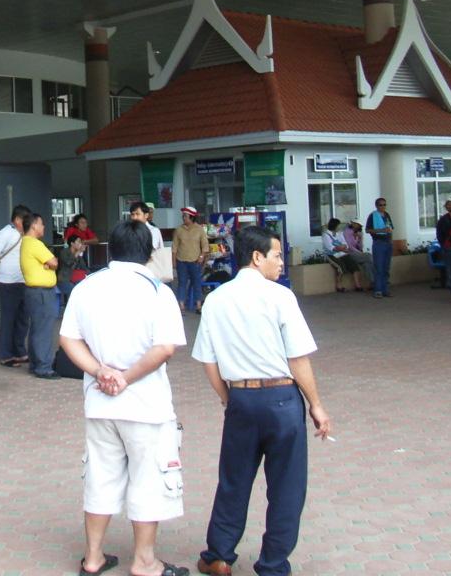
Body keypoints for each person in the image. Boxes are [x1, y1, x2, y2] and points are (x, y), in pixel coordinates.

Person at [191, 226, 331, 576]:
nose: (281, 262)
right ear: (257, 257)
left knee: (233, 480)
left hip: (241, 398)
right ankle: (273, 564)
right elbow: (298, 358)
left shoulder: (216, 299)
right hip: (282, 399)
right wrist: (315, 404)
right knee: (286, 486)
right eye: (277, 255)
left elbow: (208, 361)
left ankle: (219, 555)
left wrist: (229, 398)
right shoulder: (281, 297)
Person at [58, 219, 189, 576]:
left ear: (110, 250)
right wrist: (126, 379)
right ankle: (145, 561)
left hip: (100, 403)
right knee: (148, 481)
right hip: (146, 406)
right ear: (149, 252)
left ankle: (93, 558)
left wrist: (100, 372)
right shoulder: (158, 292)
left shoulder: (87, 286)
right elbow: (164, 349)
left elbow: (68, 339)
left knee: (100, 478)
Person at [0, 205, 30, 367]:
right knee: (9, 319)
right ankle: (5, 355)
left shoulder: (24, 234)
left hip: (23, 281)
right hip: (8, 282)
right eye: (25, 220)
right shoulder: (6, 232)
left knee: (22, 319)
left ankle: (19, 351)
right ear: (17, 220)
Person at [20, 212, 61, 380]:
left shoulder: (25, 242)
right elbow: (54, 262)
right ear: (34, 226)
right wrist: (48, 264)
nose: (44, 227)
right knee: (44, 329)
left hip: (33, 291)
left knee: (37, 328)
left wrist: (47, 264)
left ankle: (35, 364)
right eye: (41, 223)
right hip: (42, 292)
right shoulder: (35, 244)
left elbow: (50, 263)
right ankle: (44, 367)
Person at [172, 206, 207, 313]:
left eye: (185, 216)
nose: (183, 218)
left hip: (195, 261)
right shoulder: (178, 230)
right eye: (183, 216)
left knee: (197, 283)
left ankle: (198, 306)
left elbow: (205, 246)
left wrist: (201, 257)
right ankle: (181, 305)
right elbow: (174, 247)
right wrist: (173, 261)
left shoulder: (199, 229)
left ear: (192, 217)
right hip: (181, 261)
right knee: (182, 283)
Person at [320, 218, 365, 293]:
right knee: (340, 267)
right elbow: (331, 248)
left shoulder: (339, 234)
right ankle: (339, 286)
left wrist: (342, 248)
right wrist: (341, 248)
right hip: (332, 255)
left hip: (342, 253)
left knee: (354, 265)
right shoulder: (326, 235)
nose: (339, 227)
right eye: (338, 225)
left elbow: (345, 245)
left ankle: (358, 286)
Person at [130, 202, 169, 283]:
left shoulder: (153, 230)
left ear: (146, 215)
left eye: (137, 214)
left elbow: (150, 249)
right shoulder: (129, 231)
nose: (134, 217)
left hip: (150, 269)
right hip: (133, 270)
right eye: (132, 214)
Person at [364, 197, 394, 298]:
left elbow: (390, 228)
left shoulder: (387, 215)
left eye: (384, 205)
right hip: (378, 242)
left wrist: (391, 240)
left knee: (386, 268)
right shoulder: (372, 216)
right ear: (376, 206)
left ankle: (385, 289)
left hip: (388, 242)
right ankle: (378, 290)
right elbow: (367, 230)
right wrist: (381, 230)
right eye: (381, 205)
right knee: (379, 267)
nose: (383, 207)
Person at [58, 235, 89, 307]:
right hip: (64, 280)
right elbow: (69, 263)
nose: (80, 243)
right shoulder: (64, 252)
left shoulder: (78, 254)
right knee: (74, 290)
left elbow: (84, 267)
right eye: (78, 241)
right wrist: (78, 252)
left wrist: (92, 276)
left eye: (81, 242)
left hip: (75, 279)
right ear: (72, 243)